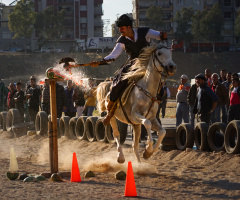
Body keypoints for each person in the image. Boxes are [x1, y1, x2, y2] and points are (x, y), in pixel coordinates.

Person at [90, 14, 167, 125]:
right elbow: (113, 56)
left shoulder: (145, 32)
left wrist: (162, 35)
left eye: (122, 28)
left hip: (148, 64)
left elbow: (159, 36)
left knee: (161, 88)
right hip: (132, 65)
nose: (120, 30)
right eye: (119, 28)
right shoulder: (122, 40)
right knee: (117, 84)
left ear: (129, 27)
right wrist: (100, 62)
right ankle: (110, 113)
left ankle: (154, 107)